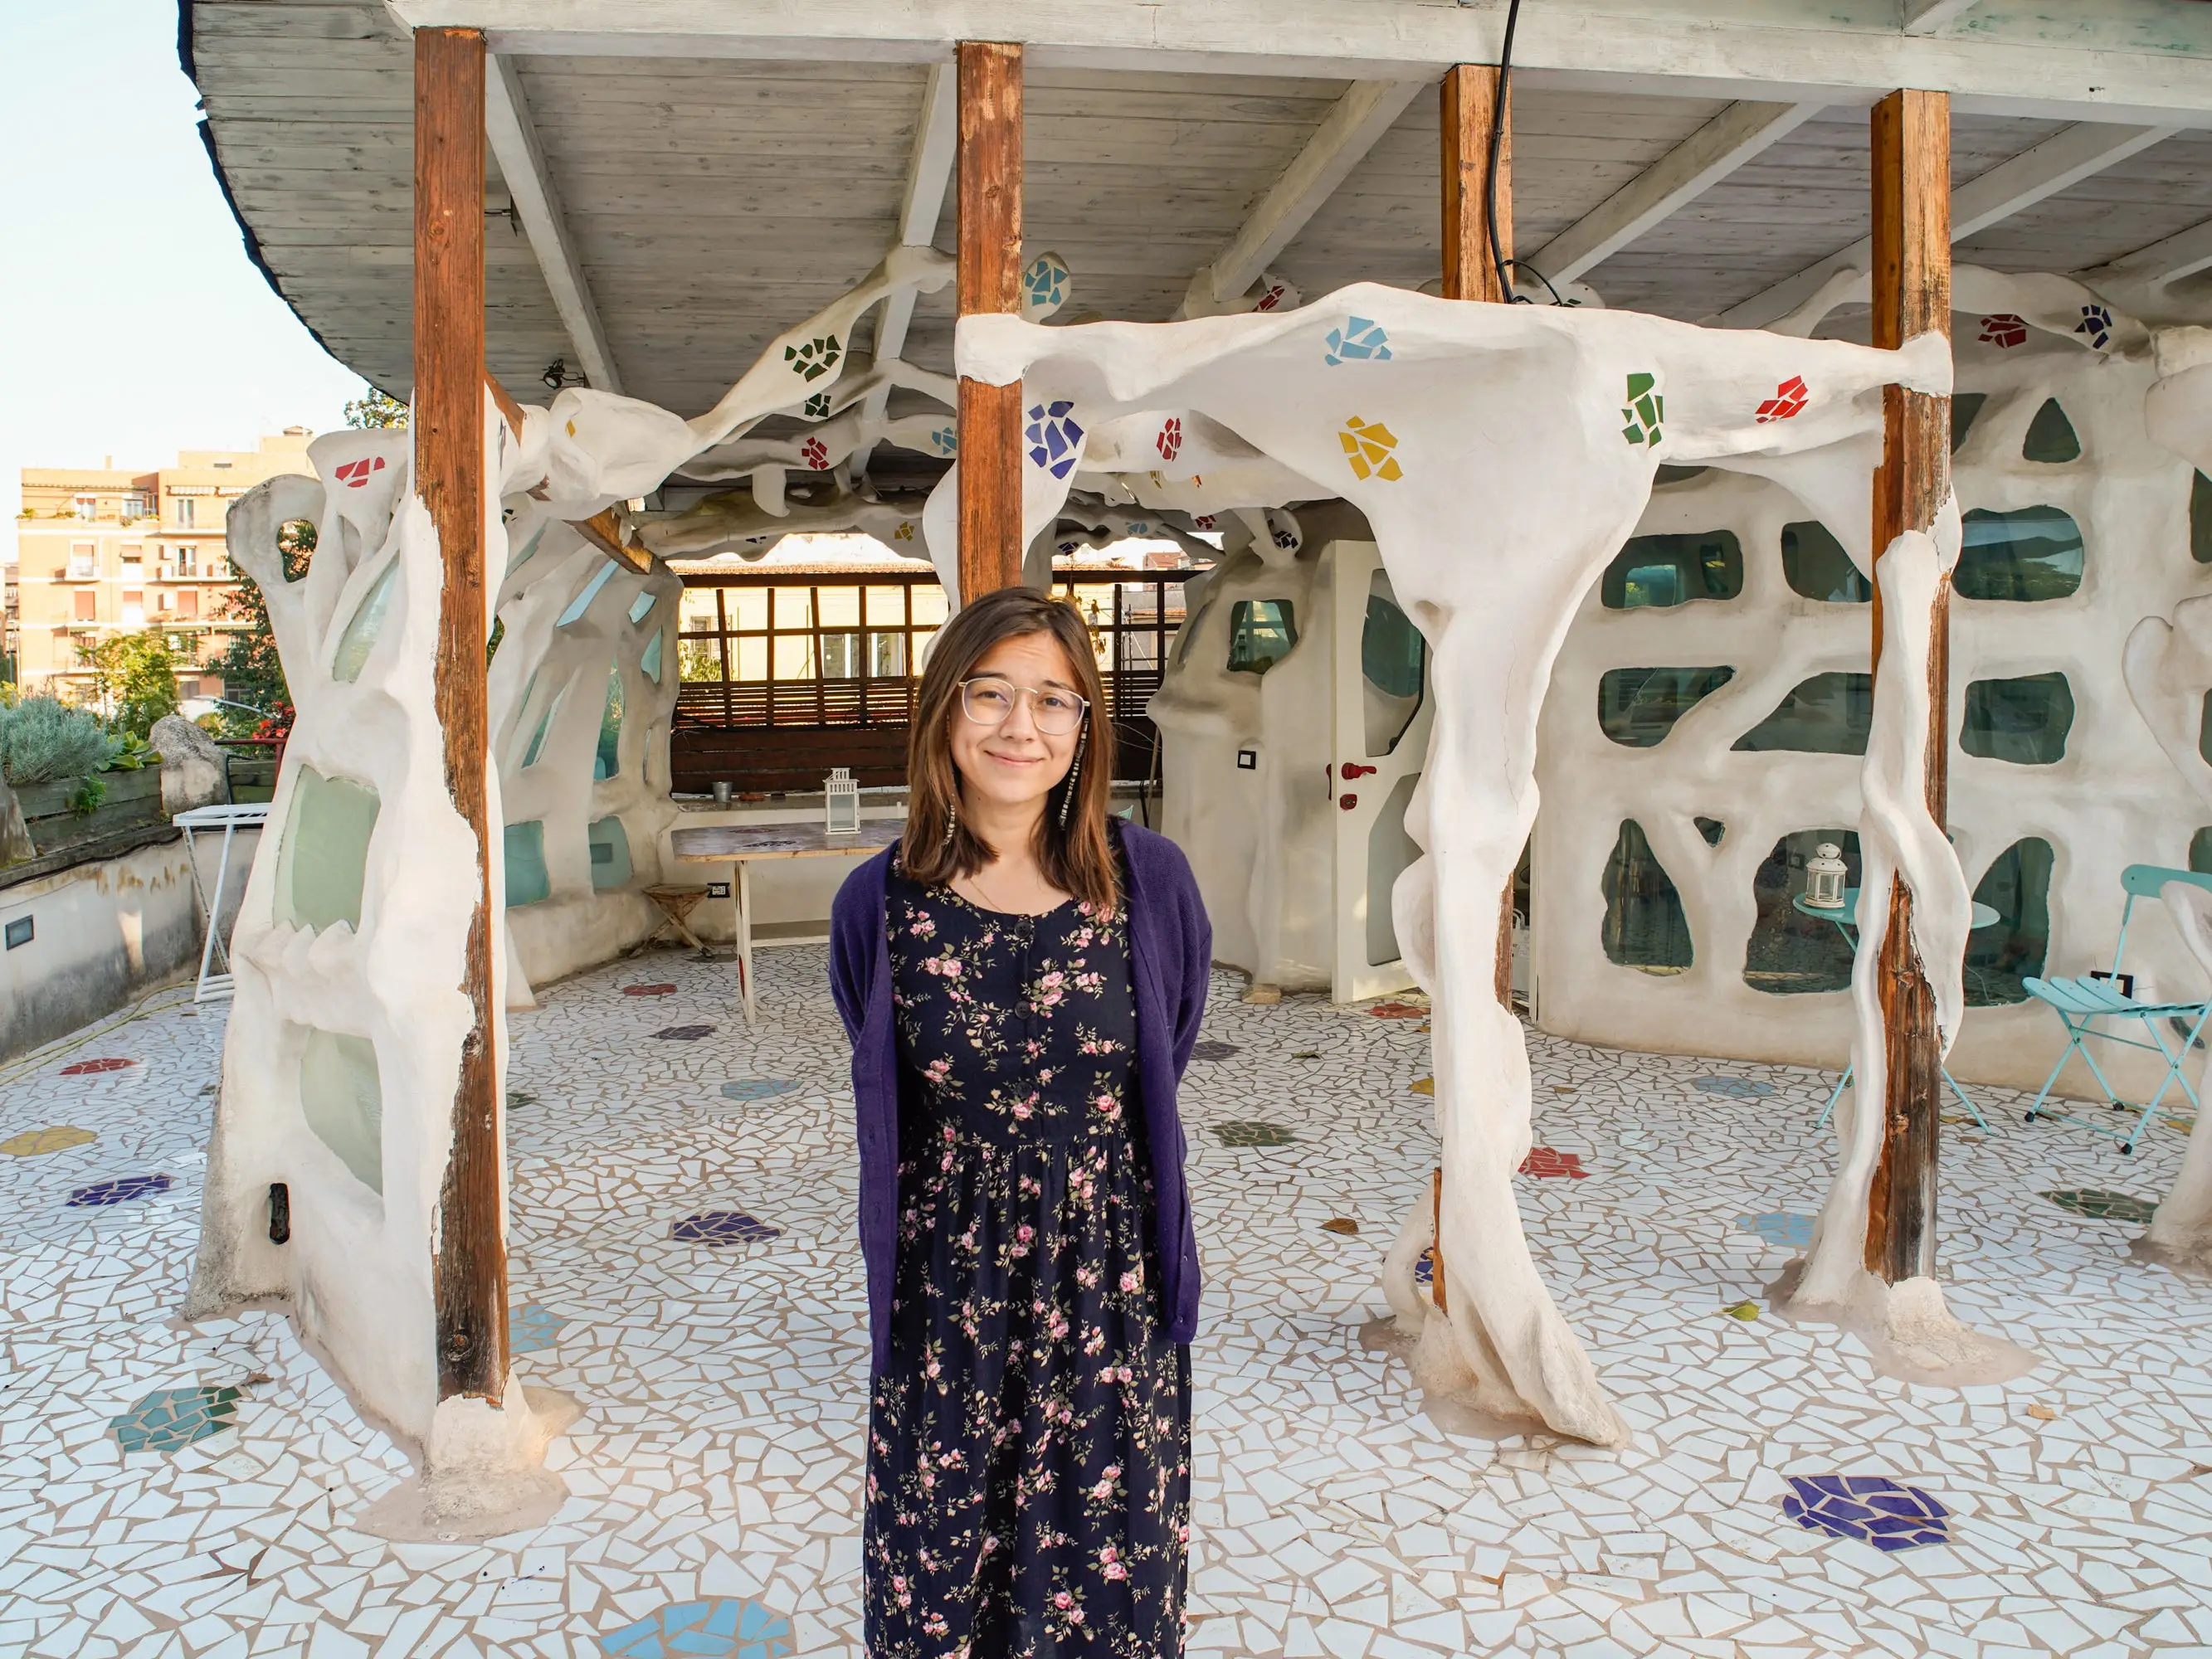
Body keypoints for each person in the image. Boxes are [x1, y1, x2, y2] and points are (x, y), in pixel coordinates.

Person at [831, 585, 1212, 1657]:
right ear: (944, 714)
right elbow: (881, 1075)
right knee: (941, 1574)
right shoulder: (878, 902)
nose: (1020, 726)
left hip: (1109, 1276)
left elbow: (1167, 1043)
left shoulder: (1151, 882)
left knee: (1109, 1576)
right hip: (944, 1285)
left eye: (1053, 700)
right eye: (990, 694)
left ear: (1086, 727)